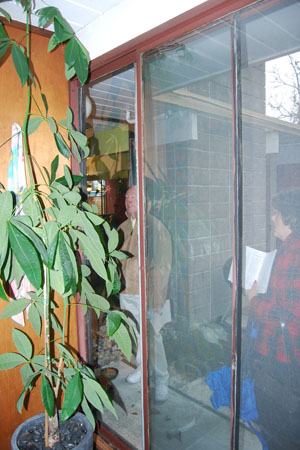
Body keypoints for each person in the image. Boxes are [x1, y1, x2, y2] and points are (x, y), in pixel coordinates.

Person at [246, 188, 300, 450]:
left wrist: (255, 299)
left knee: (279, 427)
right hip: (279, 353)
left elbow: (291, 315)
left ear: (290, 216)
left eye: (276, 213)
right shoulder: (286, 249)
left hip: (283, 357)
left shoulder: (295, 253)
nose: (272, 218)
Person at [118, 185, 172, 402]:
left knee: (154, 337)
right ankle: (142, 369)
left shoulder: (156, 228)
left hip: (147, 294)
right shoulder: (122, 227)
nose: (128, 201)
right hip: (127, 291)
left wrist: (158, 299)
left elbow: (163, 266)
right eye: (127, 197)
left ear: (145, 202)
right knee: (135, 336)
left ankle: (162, 380)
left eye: (133, 197)